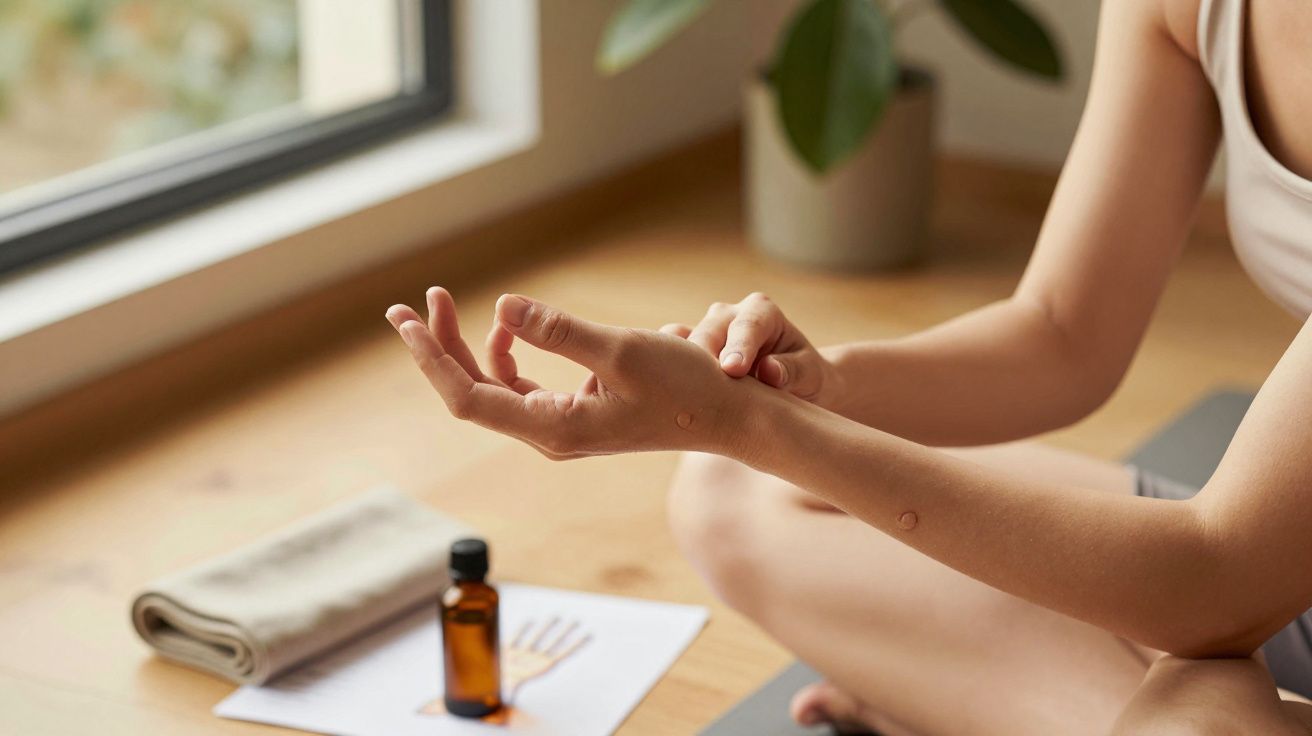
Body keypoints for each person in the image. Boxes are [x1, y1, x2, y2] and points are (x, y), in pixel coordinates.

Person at [385, 0, 1312, 731]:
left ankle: (981, 701)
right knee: (732, 491)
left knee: (1202, 706)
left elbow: (1212, 582)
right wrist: (816, 390)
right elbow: (1062, 330)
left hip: (1244, 569)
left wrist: (749, 421)